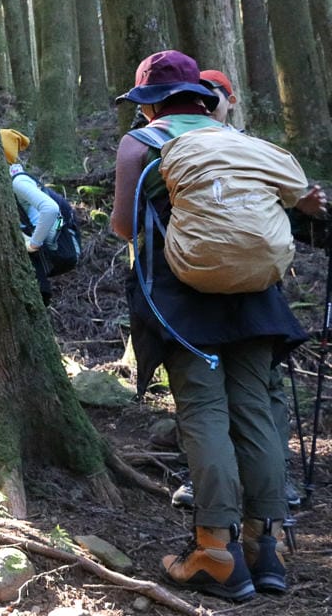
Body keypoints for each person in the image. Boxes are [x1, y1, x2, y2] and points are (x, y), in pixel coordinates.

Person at [111, 50, 321, 601]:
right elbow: (301, 208)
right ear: (203, 97)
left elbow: (123, 227)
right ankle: (264, 547)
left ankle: (214, 552)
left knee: (205, 413)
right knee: (254, 413)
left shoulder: (144, 143)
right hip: (258, 300)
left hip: (185, 303)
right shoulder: (246, 144)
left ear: (150, 103)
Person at [165, 69, 307, 511]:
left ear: (229, 99)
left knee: (232, 402)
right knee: (248, 404)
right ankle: (264, 535)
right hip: (248, 296)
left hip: (213, 296)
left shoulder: (170, 148)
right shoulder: (251, 151)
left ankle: (223, 534)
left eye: (215, 96)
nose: (208, 104)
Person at [1, 128, 63, 305]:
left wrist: (33, 244)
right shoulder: (13, 179)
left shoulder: (17, 181)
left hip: (37, 257)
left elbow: (50, 209)